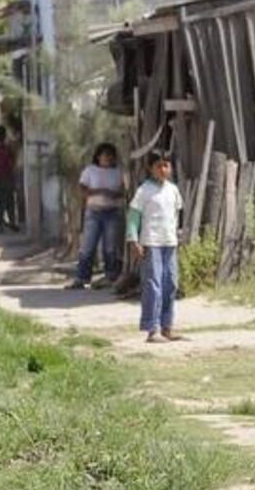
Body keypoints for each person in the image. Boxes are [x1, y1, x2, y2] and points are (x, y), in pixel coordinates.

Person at [127, 151, 184, 344]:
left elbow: (176, 215)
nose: (163, 169)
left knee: (171, 284)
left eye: (166, 165)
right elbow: (134, 216)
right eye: (158, 166)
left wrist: (178, 235)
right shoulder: (144, 191)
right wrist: (134, 240)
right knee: (154, 285)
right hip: (151, 243)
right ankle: (153, 329)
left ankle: (167, 327)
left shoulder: (173, 190)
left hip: (170, 243)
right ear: (150, 168)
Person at [66, 143, 125, 290]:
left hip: (112, 211)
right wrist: (97, 191)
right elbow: (81, 189)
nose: (107, 158)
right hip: (94, 211)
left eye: (110, 155)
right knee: (88, 245)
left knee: (110, 247)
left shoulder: (118, 172)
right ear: (98, 157)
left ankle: (110, 276)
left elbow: (123, 192)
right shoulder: (90, 170)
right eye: (104, 155)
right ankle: (82, 277)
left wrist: (113, 194)